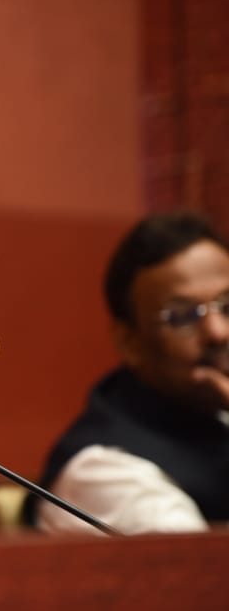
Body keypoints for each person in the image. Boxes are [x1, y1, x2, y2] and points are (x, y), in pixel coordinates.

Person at [26, 210, 229, 535]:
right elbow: (209, 581)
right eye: (181, 316)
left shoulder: (215, 409)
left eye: (227, 304)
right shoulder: (105, 471)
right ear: (129, 342)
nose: (218, 332)